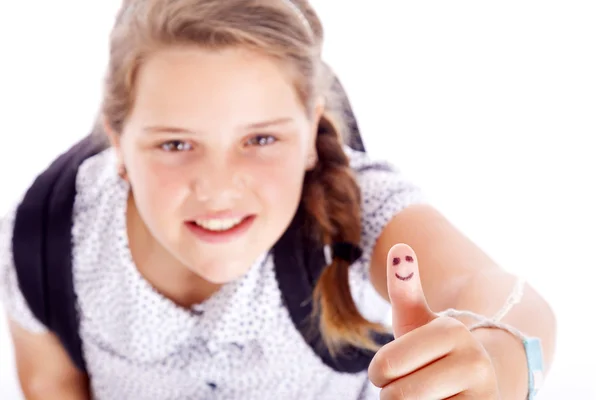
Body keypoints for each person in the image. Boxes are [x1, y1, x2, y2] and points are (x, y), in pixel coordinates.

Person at [0, 0, 556, 399]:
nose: (218, 187)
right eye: (175, 143)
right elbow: (50, 384)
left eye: (260, 139)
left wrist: (497, 358)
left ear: (312, 132)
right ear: (119, 144)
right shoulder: (46, 241)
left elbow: (497, 292)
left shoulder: (358, 212)